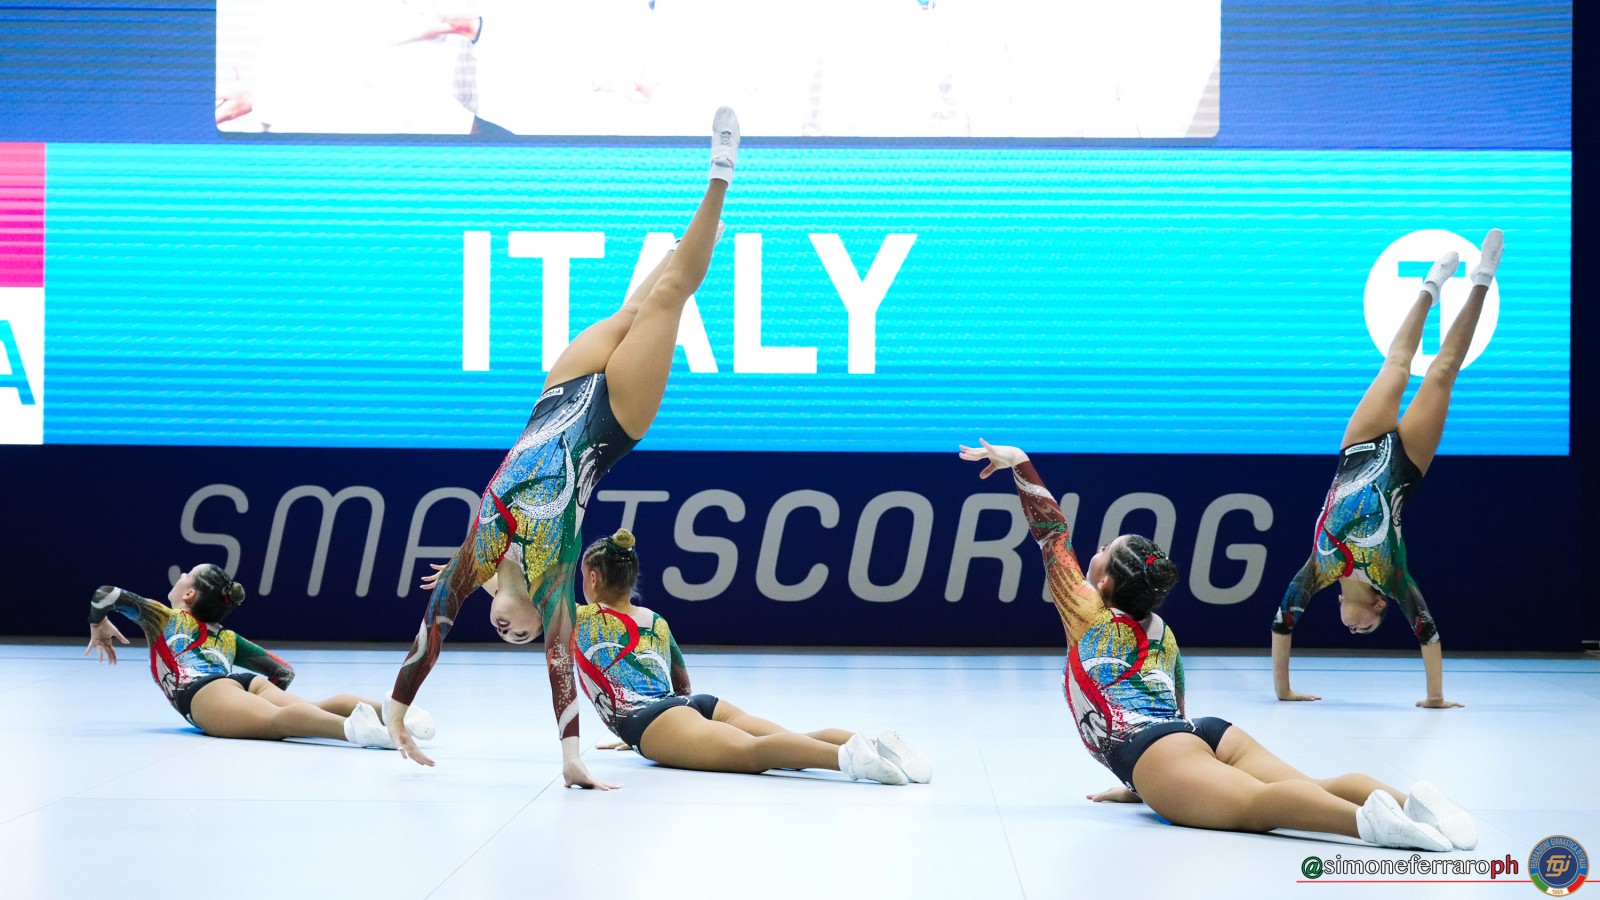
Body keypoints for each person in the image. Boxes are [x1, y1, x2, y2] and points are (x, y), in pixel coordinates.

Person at [384, 107, 742, 787]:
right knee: (668, 296)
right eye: (521, 634)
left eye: (506, 632)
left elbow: (432, 631)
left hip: (558, 393)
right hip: (615, 424)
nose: (512, 634)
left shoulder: (476, 559)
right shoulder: (554, 584)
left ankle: (697, 237)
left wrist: (396, 710)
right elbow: (560, 667)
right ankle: (721, 176)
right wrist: (572, 760)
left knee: (633, 309)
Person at [959, 439, 1477, 851]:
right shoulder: (1160, 629)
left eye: (1102, 551)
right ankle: (1412, 802)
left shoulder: (1087, 613)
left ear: (1105, 582)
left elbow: (1052, 536)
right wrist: (1148, 781)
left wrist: (1020, 462)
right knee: (1310, 785)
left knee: (1258, 807)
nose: (1092, 553)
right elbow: (1176, 707)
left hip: (1155, 750)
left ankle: (1372, 827)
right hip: (1198, 736)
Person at [420, 529, 931, 785]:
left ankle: (854, 761)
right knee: (787, 739)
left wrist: (462, 571)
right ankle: (871, 740)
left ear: (591, 579)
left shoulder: (575, 618)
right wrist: (667, 724)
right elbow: (681, 684)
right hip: (694, 706)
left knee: (756, 756)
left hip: (654, 720)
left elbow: (509, 590)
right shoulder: (656, 621)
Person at [1272, 229, 1504, 708]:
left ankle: (1431, 286)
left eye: (1355, 630)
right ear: (1380, 605)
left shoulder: (1318, 570)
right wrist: (1435, 697)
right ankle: (1483, 277)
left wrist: (1284, 690)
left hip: (1356, 449)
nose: (1355, 631)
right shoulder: (1393, 577)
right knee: (1441, 372)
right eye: (1368, 628)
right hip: (1408, 466)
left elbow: (1282, 624)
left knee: (1396, 365)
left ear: (1341, 601)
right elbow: (1428, 632)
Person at [84, 563, 427, 748]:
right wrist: (253, 700)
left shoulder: (164, 618)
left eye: (187, 574)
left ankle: (359, 732)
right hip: (244, 684)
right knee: (309, 708)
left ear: (188, 595)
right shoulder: (228, 638)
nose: (181, 575)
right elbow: (282, 672)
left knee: (278, 722)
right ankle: (396, 712)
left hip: (204, 693)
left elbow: (106, 594)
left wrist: (98, 626)